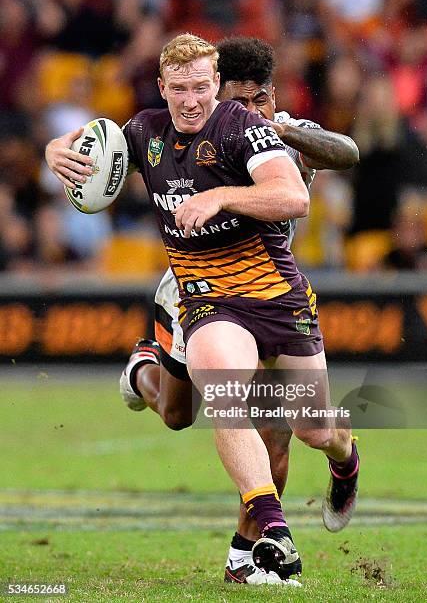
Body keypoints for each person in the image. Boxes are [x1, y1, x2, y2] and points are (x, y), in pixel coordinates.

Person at [45, 33, 359, 586]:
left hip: (276, 293)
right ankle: (267, 538)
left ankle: (343, 458)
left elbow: (318, 179)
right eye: (180, 89)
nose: (193, 100)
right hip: (203, 293)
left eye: (202, 88)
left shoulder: (256, 129)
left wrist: (225, 190)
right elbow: (94, 140)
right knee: (224, 401)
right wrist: (56, 148)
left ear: (218, 87)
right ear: (164, 88)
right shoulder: (145, 130)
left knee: (309, 427)